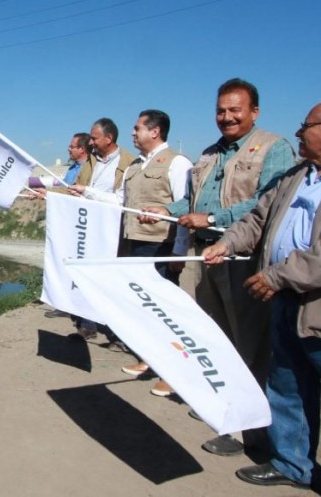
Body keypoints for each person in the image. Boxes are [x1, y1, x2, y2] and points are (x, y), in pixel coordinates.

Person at [141, 78, 295, 457]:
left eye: (235, 110)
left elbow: (268, 205)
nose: (226, 117)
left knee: (250, 345)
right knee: (212, 338)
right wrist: (168, 211)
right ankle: (224, 411)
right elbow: (192, 201)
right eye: (220, 111)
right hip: (203, 257)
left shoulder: (274, 149)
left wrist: (212, 217)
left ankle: (252, 430)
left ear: (254, 112)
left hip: (242, 259)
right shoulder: (209, 153)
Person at [201, 102, 321, 489]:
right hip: (285, 300)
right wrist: (227, 242)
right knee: (287, 384)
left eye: (308, 126)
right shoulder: (296, 176)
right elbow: (257, 219)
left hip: (311, 299)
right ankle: (292, 464)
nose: (299, 133)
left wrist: (278, 275)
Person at [70, 110, 192, 395]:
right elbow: (119, 201)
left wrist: (180, 250)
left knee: (163, 312)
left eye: (138, 129)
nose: (133, 133)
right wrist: (86, 192)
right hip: (134, 244)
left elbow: (187, 204)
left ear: (155, 131)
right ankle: (149, 360)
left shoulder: (177, 163)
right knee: (143, 308)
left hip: (160, 245)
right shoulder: (135, 166)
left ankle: (172, 373)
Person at [67, 117, 136, 342]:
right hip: (89, 226)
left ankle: (116, 330)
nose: (91, 143)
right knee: (88, 275)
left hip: (115, 229)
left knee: (113, 280)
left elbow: (121, 200)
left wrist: (87, 192)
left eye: (95, 138)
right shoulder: (91, 162)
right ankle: (88, 324)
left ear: (109, 138)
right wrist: (46, 194)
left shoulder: (130, 163)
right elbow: (74, 190)